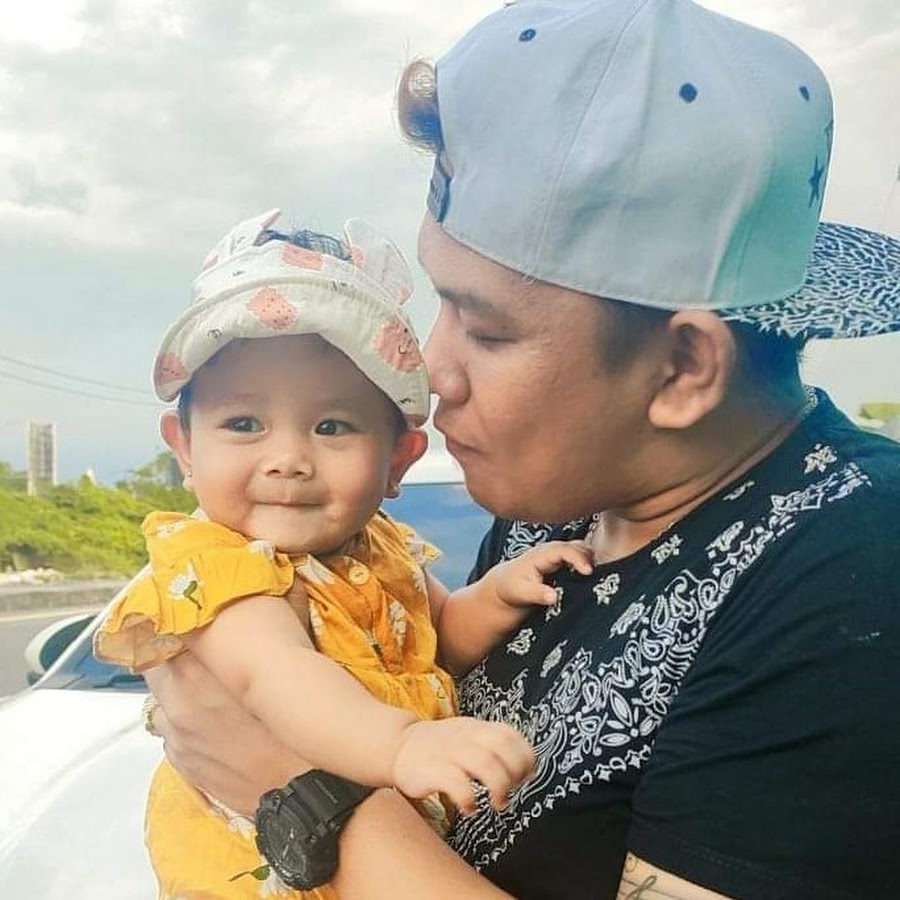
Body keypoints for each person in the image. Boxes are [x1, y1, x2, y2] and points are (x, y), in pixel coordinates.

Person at [144, 1, 900, 897]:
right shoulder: (570, 496)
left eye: (487, 329)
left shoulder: (855, 578)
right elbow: (422, 654)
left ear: (684, 368)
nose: (434, 370)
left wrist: (295, 791)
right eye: (441, 300)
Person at [94, 209, 596, 898]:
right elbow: (275, 675)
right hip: (266, 874)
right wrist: (402, 743)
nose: (288, 458)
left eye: (331, 426)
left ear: (397, 460)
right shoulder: (214, 564)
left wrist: (498, 594)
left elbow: (438, 635)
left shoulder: (379, 547)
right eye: (243, 422)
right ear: (184, 449)